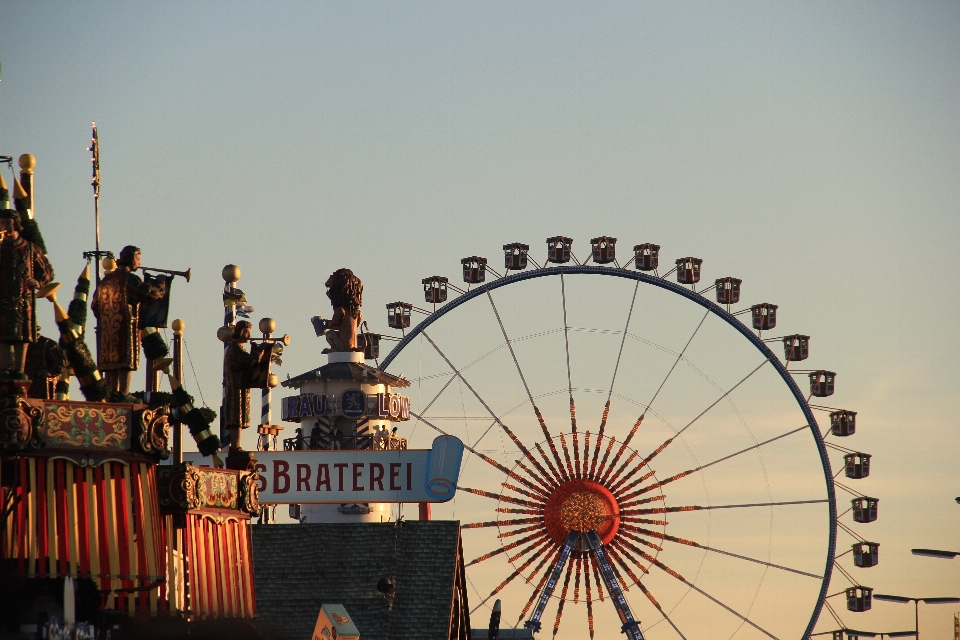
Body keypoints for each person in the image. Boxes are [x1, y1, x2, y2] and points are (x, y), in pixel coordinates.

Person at [91, 246, 165, 394]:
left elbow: (95, 305)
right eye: (137, 258)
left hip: (107, 331)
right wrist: (161, 287)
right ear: (131, 259)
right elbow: (148, 293)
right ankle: (124, 394)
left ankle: (112, 393)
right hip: (125, 327)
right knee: (125, 362)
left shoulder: (105, 281)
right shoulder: (128, 278)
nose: (139, 262)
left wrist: (107, 317)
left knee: (111, 363)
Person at [0, 208, 54, 379]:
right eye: (1, 223)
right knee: (3, 335)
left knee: (22, 336)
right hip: (3, 298)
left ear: (15, 224)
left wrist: (38, 283)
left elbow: (46, 271)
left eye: (7, 222)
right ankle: (4, 368)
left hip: (24, 299)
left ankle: (19, 369)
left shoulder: (29, 248)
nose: (4, 226)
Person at [222, 320, 265, 451]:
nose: (248, 335)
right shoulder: (235, 348)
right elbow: (248, 361)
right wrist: (260, 352)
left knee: (239, 420)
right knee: (236, 420)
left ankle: (237, 446)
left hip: (241, 387)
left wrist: (256, 350)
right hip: (235, 388)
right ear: (240, 332)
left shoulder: (240, 348)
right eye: (247, 332)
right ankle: (235, 447)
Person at [320, 268, 363, 354]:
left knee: (330, 334)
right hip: (353, 344)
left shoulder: (340, 309)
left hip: (343, 346)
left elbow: (335, 324)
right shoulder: (357, 313)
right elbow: (346, 325)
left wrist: (325, 324)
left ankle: (334, 348)